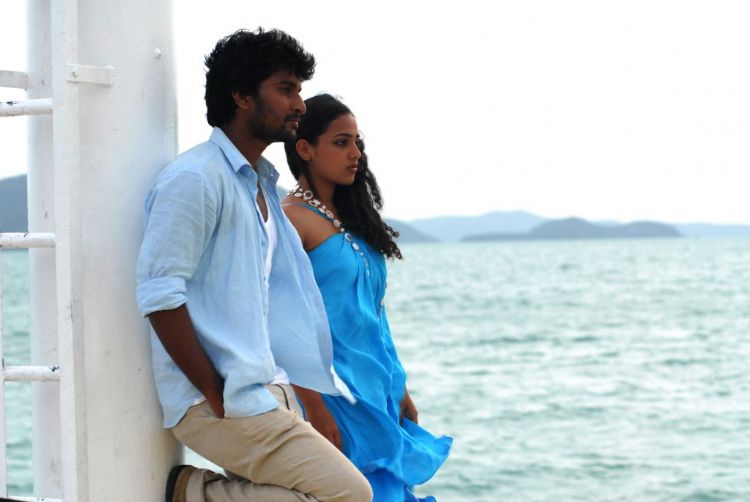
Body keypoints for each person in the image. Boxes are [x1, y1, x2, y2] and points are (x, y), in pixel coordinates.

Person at [136, 30, 372, 502]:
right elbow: (159, 293)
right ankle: (196, 494)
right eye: (286, 89)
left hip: (266, 387)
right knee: (350, 495)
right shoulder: (195, 178)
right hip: (219, 400)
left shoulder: (260, 184)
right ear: (242, 96)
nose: (299, 105)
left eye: (299, 90)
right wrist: (213, 390)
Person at [282, 94, 452, 502]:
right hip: (333, 393)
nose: (355, 153)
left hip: (376, 387)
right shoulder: (291, 219)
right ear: (305, 149)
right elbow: (284, 319)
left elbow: (375, 315)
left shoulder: (352, 220)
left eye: (357, 142)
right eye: (341, 142)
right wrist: (315, 406)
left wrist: (400, 386)